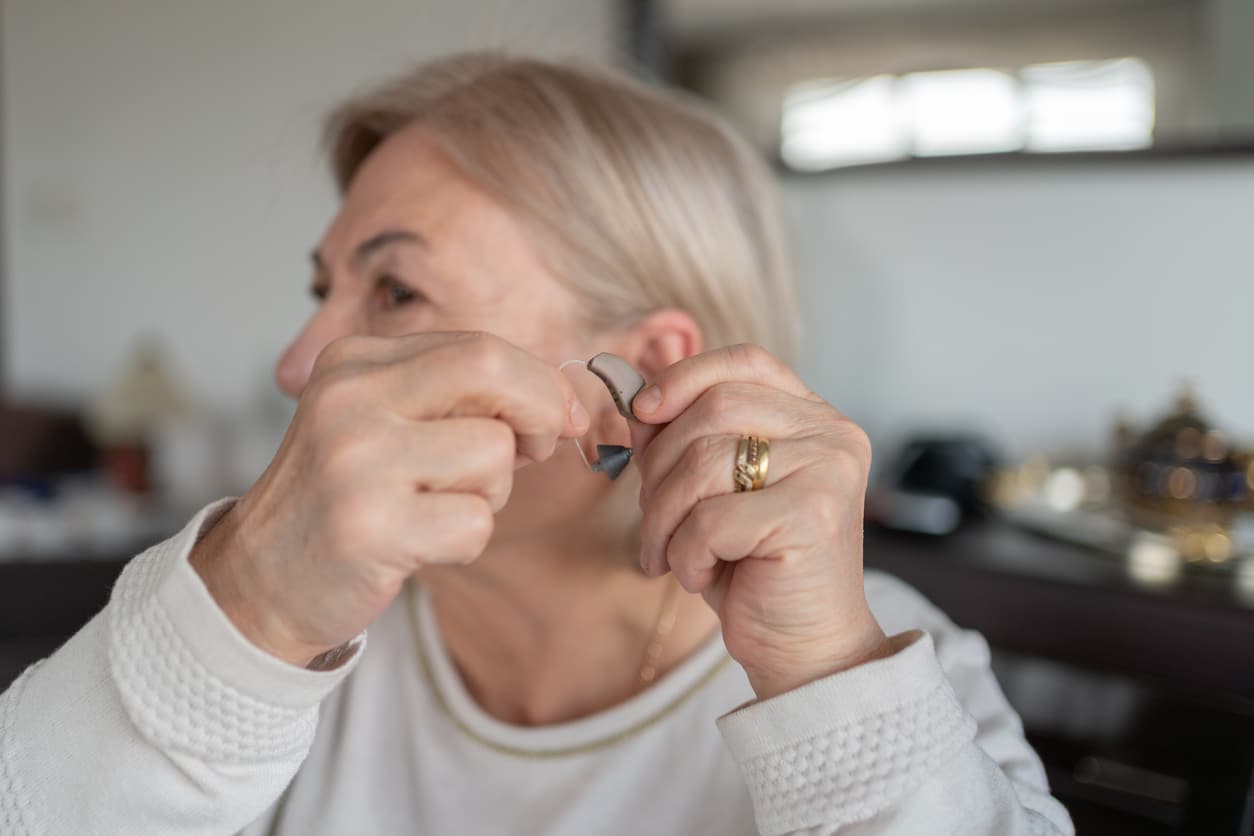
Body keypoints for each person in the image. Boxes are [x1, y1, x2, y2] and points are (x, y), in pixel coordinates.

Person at [0, 53, 1073, 835]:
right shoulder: (291, 655)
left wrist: (827, 676)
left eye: (396, 288)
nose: (302, 364)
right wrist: (241, 613)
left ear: (641, 377)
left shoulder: (885, 665)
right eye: (325, 289)